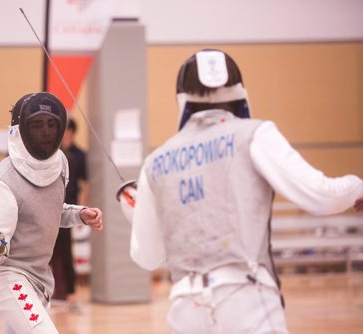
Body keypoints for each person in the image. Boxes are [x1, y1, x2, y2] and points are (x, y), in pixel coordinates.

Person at [117, 49, 363, 334]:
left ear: (182, 98)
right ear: (239, 92)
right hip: (245, 298)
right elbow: (322, 195)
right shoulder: (254, 134)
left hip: (186, 309)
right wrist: (357, 187)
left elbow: (148, 256)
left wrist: (139, 213)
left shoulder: (156, 162)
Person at [0, 92, 103, 334]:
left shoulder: (60, 164)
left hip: (39, 277)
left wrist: (79, 214)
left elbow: (49, 211)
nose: (46, 132)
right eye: (36, 125)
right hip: (7, 277)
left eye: (51, 124)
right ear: (20, 129)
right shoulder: (2, 182)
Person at [50, 118, 88, 310]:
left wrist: (81, 211)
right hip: (50, 208)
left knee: (66, 252)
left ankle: (71, 293)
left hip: (68, 209)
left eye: (67, 130)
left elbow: (84, 184)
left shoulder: (79, 155)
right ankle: (51, 290)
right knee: (48, 252)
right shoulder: (51, 154)